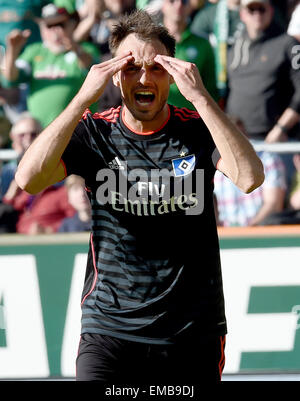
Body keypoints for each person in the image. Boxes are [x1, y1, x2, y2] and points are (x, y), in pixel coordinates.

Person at [14, 9, 264, 384]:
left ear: (173, 76)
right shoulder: (95, 132)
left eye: (156, 68)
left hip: (190, 331)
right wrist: (82, 97)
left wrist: (200, 97)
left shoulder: (197, 130)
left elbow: (249, 178)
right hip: (110, 329)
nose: (143, 78)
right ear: (115, 74)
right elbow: (29, 179)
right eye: (131, 68)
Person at [1, 3, 100, 128]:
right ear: (41, 28)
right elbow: (10, 79)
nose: (55, 30)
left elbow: (90, 66)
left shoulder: (86, 49)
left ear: (72, 24)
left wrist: (73, 45)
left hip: (80, 131)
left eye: (60, 24)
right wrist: (13, 50)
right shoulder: (34, 51)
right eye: (49, 25)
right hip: (41, 132)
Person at [226, 0, 300, 143]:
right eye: (251, 10)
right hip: (237, 137)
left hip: (274, 138)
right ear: (242, 14)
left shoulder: (288, 43)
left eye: (262, 9)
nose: (257, 14)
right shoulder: (235, 47)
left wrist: (281, 128)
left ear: (271, 11)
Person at [214, 117, 287, 226]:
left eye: (238, 135)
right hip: (224, 235)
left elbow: (273, 204)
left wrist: (249, 230)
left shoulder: (268, 159)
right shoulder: (211, 161)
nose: (234, 141)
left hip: (261, 233)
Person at [162, 0, 219, 109]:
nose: (178, 5)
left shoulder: (203, 44)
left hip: (192, 119)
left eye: (184, 2)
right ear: (163, 5)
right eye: (172, 1)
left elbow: (211, 91)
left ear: (190, 6)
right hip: (157, 119)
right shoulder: (150, 42)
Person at [0, 113, 42, 199]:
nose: (27, 139)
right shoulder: (6, 173)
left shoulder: (54, 167)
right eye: (21, 135)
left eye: (33, 134)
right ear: (13, 137)